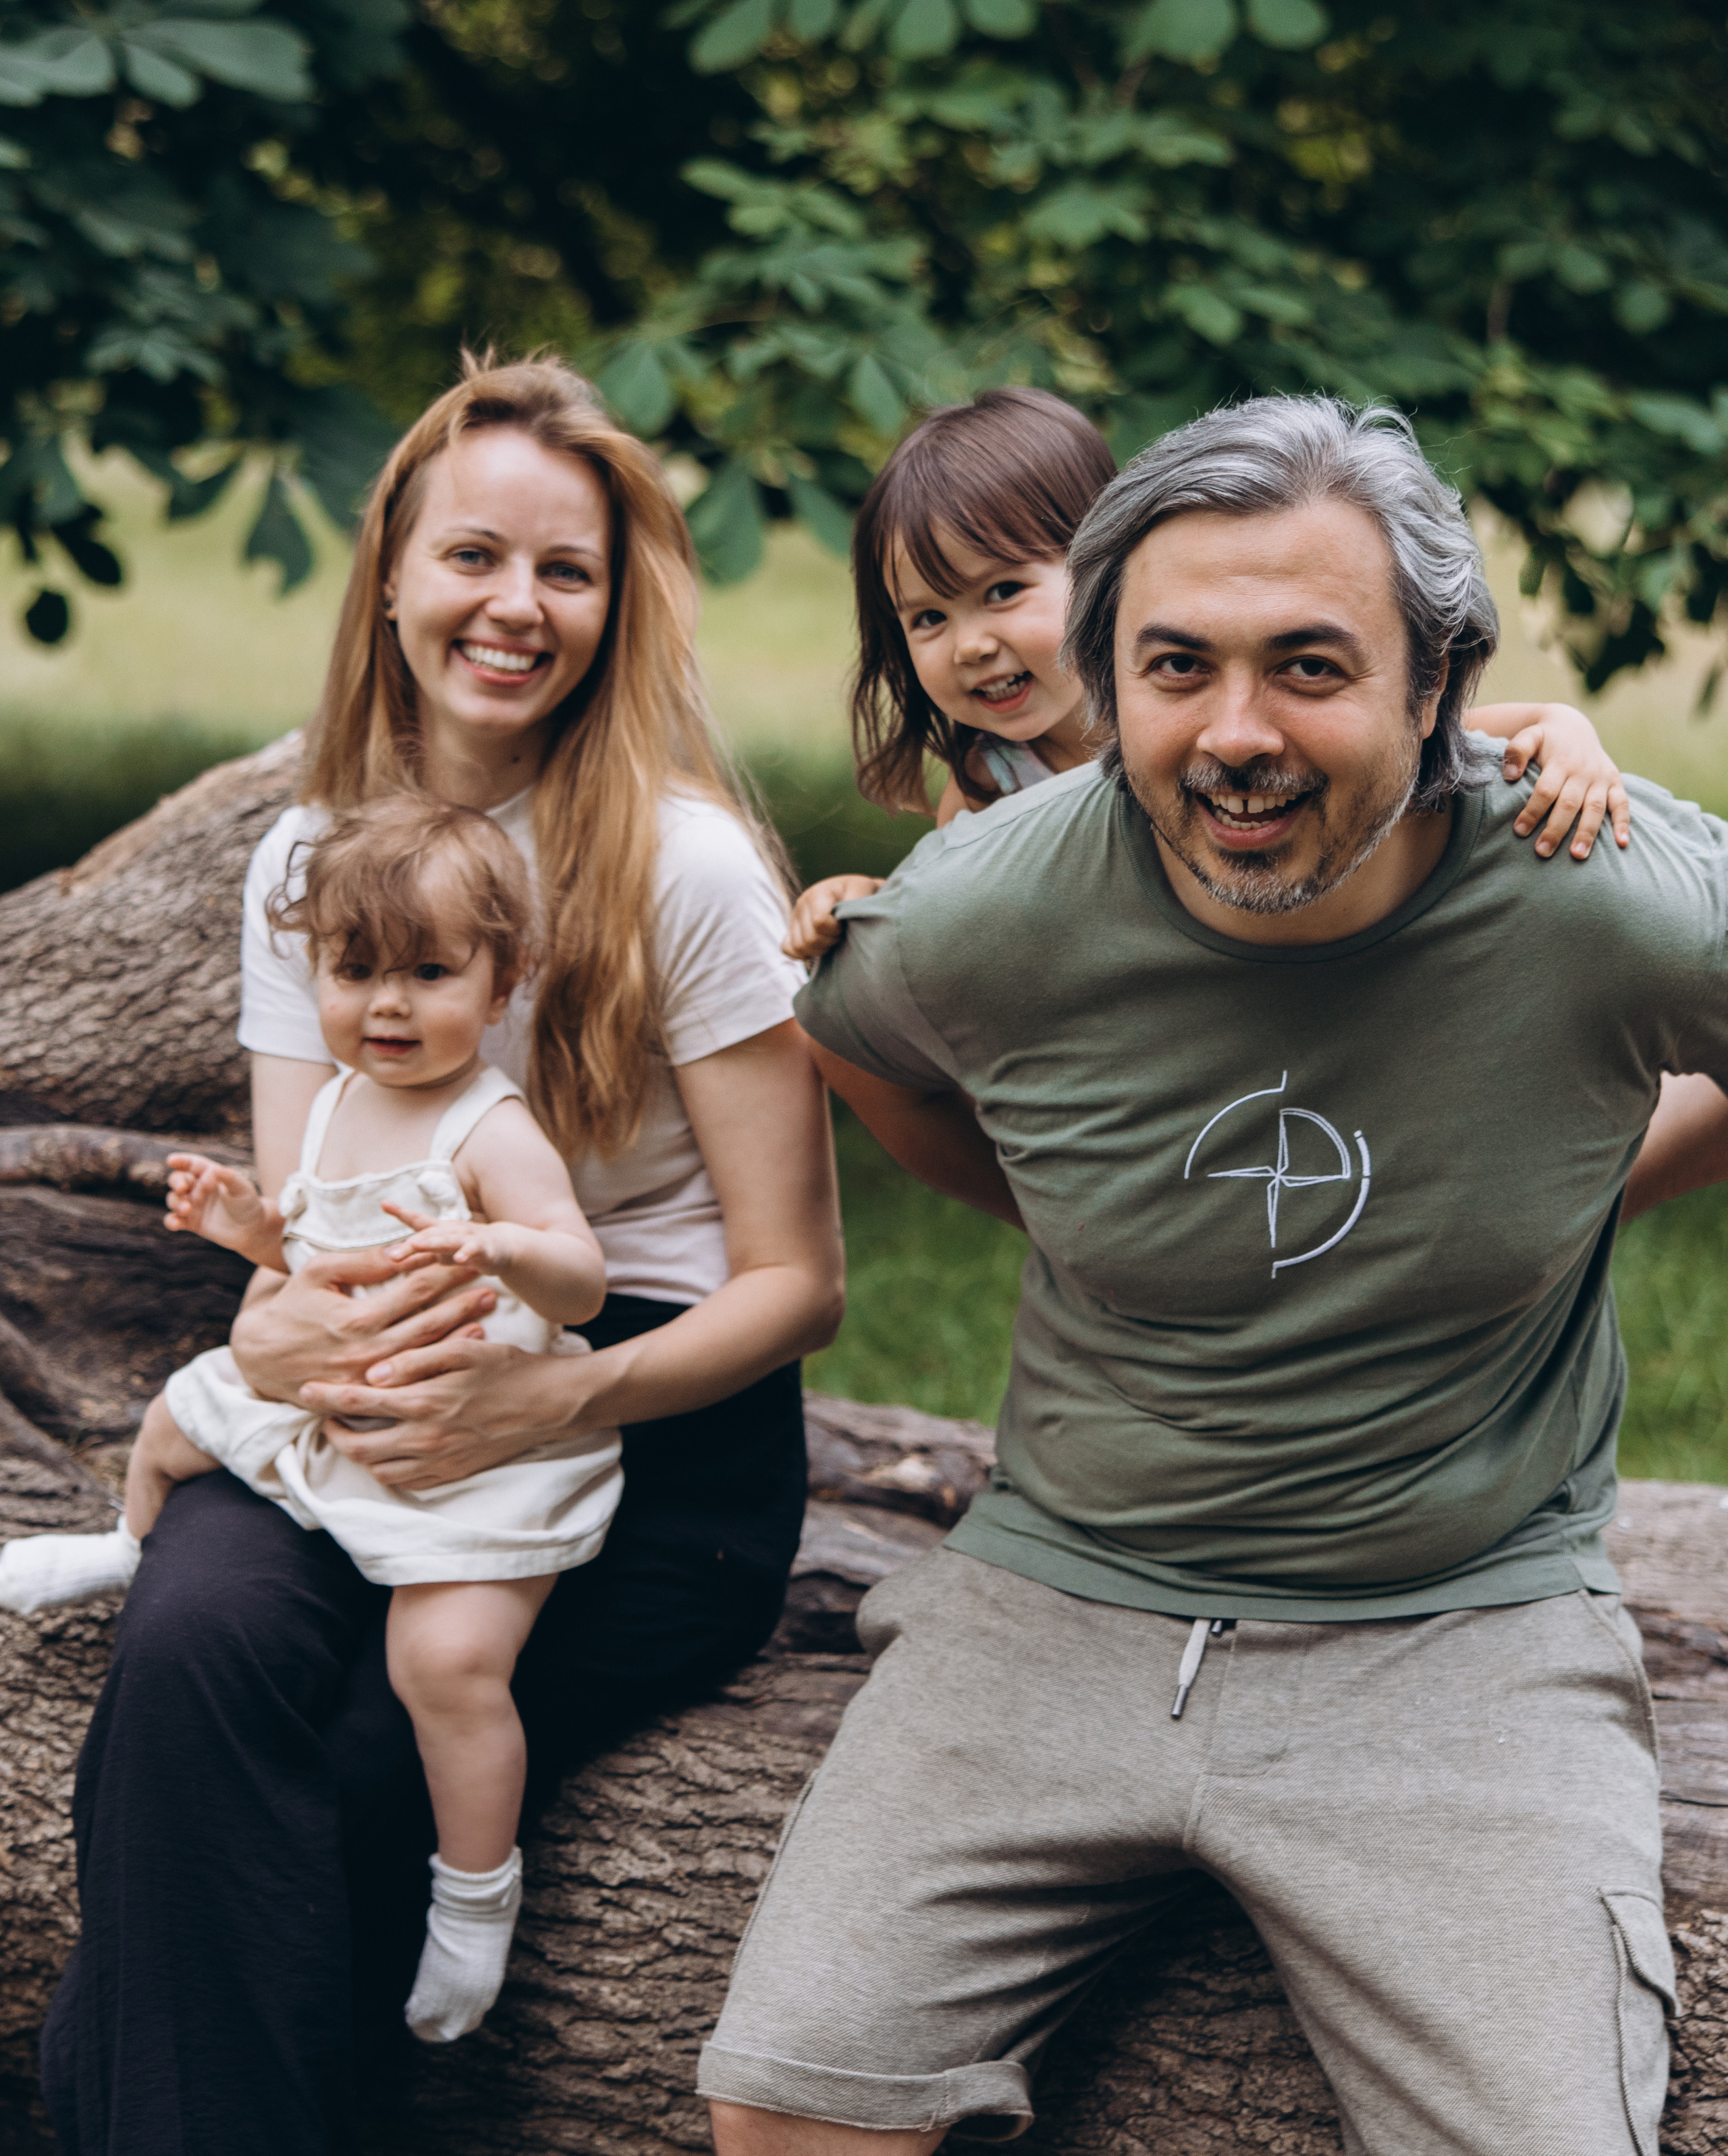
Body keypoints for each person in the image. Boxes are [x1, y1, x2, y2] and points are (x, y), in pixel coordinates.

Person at [699, 395, 1725, 2156]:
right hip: (1052, 1596)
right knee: (790, 2108)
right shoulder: (989, 907)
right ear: (1111, 675)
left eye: (1309, 666)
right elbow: (854, 1034)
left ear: (1435, 680)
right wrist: (1054, 1189)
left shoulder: (1596, 894)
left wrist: (1594, 1177)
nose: (1235, 734)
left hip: (1460, 1625)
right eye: (1176, 667)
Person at [31, 353, 844, 2156]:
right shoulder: (313, 863)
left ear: (618, 606)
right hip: (375, 1386)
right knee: (188, 1655)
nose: (516, 606)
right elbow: (312, 1216)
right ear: (392, 575)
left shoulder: (687, 869)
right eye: (474, 555)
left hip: (648, 1420)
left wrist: (552, 1396)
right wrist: (280, 1340)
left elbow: (799, 1284)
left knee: (345, 1777)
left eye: (568, 570)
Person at [2, 792, 628, 2044]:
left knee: (444, 1664)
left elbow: (584, 1282)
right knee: (174, 1424)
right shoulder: (340, 1100)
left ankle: (475, 1900)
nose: (388, 1005)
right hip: (339, 1408)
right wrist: (246, 1226)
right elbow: (308, 1247)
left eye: (430, 973)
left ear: (503, 982)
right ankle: (126, 1551)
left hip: (470, 1443)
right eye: (356, 970)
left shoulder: (490, 1126)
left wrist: (505, 1246)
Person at [782, 386, 1631, 961]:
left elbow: (1438, 729)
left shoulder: (1190, 710)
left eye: (1002, 592)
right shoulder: (988, 783)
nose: (969, 644)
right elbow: (946, 915)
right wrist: (866, 900)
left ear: (1104, 574)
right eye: (927, 618)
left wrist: (1566, 732)